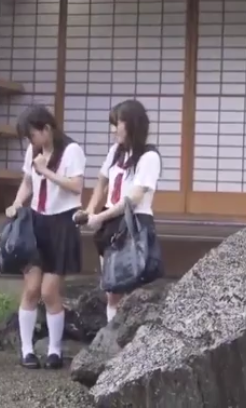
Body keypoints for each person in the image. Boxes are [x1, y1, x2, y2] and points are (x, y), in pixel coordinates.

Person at [5, 105, 86, 369]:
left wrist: (46, 171)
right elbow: (28, 181)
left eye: (32, 135)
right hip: (35, 221)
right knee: (31, 288)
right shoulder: (34, 151)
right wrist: (17, 204)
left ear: (47, 129)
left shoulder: (71, 150)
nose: (31, 142)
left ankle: (54, 350)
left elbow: (76, 186)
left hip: (61, 222)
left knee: (50, 291)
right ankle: (27, 350)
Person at [83, 99, 161, 323]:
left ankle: (132, 337)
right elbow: (102, 181)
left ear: (132, 124)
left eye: (117, 124)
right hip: (110, 223)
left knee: (132, 288)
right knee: (112, 289)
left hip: (133, 224)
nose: (113, 130)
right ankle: (113, 337)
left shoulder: (149, 157)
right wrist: (90, 210)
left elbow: (133, 199)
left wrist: (100, 216)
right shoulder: (115, 152)